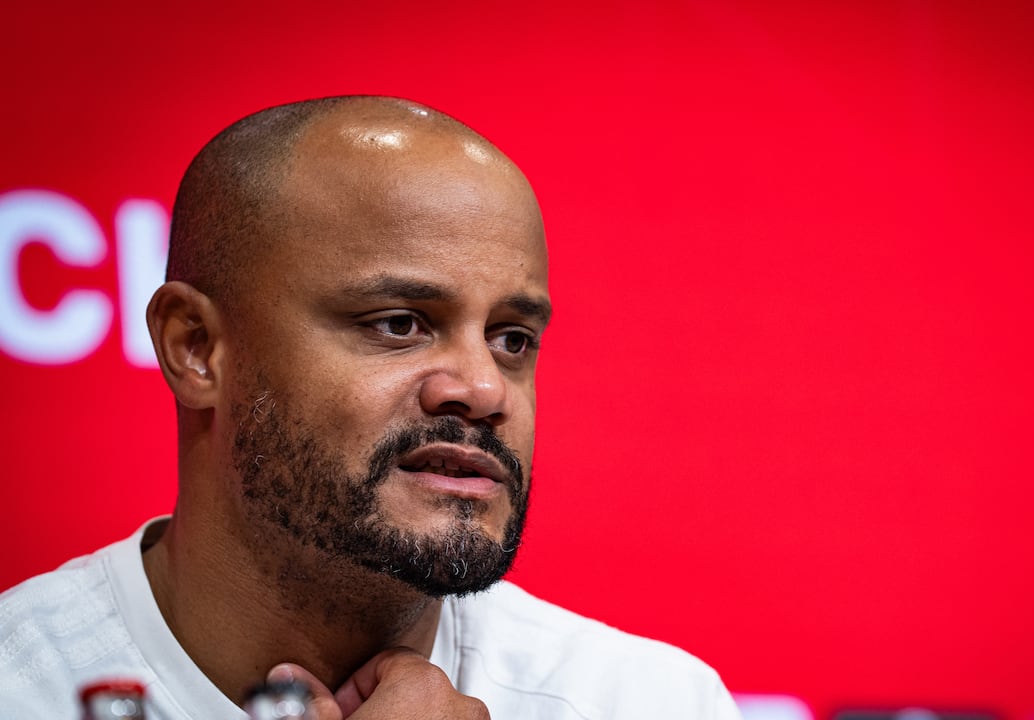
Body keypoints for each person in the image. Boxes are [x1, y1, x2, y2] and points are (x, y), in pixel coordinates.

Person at [0, 96, 740, 719]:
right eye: (399, 324)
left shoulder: (649, 702)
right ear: (197, 347)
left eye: (512, 339)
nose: (483, 389)